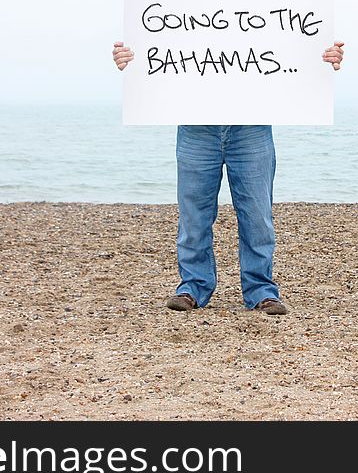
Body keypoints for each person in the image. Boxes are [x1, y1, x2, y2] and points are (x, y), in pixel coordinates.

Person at [112, 41, 345, 315]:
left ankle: (261, 290)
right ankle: (193, 287)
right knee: (193, 216)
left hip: (252, 123)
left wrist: (320, 57)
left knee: (257, 216)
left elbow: (291, 41)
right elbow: (158, 41)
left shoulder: (265, 4)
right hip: (195, 123)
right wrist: (131, 59)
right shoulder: (181, 2)